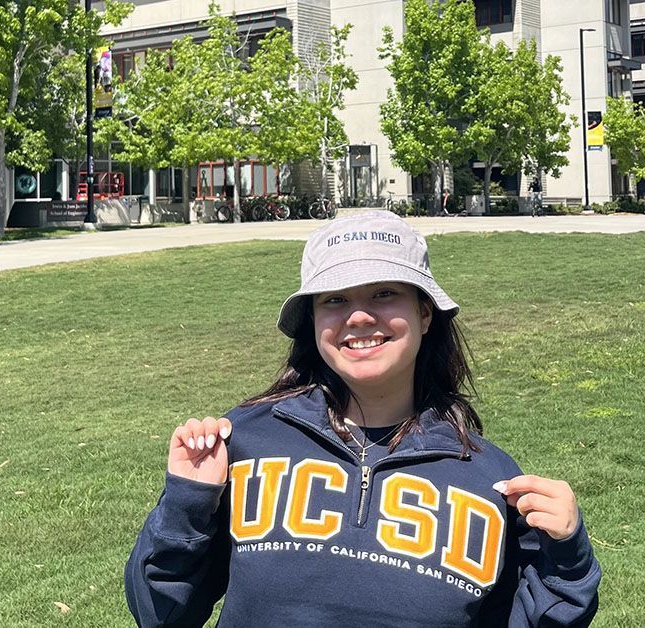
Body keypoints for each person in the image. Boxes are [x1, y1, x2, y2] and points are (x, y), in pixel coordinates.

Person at [124, 211, 601, 627]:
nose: (358, 317)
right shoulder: (247, 441)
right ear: (312, 321)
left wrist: (569, 560)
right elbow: (160, 613)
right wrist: (187, 503)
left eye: (384, 293)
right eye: (334, 299)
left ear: (425, 312)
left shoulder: (488, 480)